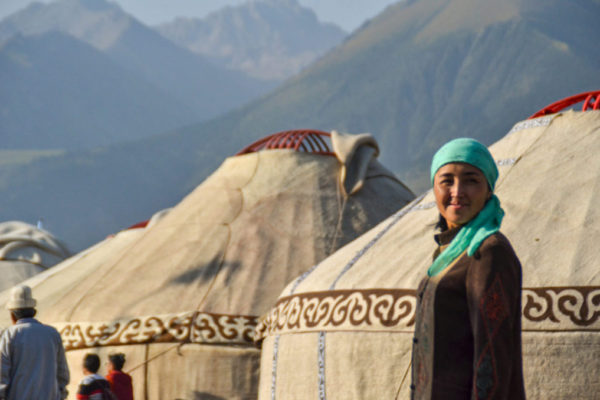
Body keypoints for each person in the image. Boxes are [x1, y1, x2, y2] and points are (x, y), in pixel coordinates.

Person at [410, 138, 526, 399]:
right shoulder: (451, 251)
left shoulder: (487, 251)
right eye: (447, 180)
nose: (457, 191)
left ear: (488, 190)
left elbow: (492, 356)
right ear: (434, 188)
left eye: (472, 180)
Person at [0, 285, 70, 400]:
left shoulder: (10, 335)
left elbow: (2, 374)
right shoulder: (52, 334)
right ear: (34, 312)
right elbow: (62, 375)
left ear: (12, 315)